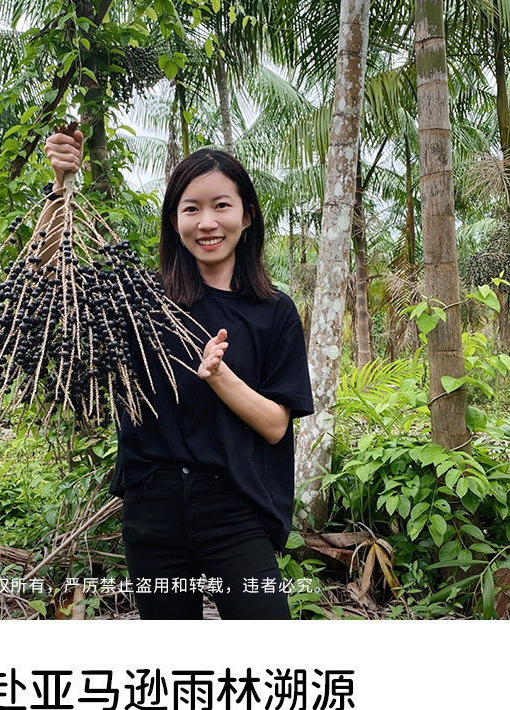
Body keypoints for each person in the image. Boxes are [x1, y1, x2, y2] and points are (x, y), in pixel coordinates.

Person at [44, 130, 314, 620]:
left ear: (246, 215)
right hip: (155, 506)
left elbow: (276, 424)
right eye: (191, 209)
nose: (207, 222)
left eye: (221, 206)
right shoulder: (143, 300)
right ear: (174, 220)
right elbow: (54, 286)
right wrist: (61, 189)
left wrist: (218, 376)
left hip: (235, 506)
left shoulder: (274, 312)